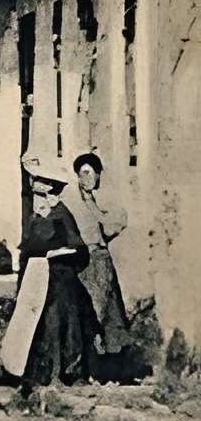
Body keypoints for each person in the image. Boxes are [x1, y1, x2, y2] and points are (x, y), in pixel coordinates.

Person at [1, 159, 96, 390]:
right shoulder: (35, 218)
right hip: (36, 279)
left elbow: (80, 251)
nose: (36, 187)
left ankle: (69, 374)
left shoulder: (61, 215)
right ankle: (34, 374)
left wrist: (57, 255)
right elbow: (27, 250)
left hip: (59, 280)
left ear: (52, 189)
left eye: (42, 183)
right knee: (35, 326)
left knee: (61, 324)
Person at [67, 151, 133, 370]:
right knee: (94, 310)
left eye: (91, 174)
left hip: (102, 259)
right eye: (82, 173)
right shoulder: (75, 201)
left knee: (111, 310)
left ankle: (112, 363)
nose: (86, 178)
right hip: (87, 261)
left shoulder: (93, 200)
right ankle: (91, 363)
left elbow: (107, 227)